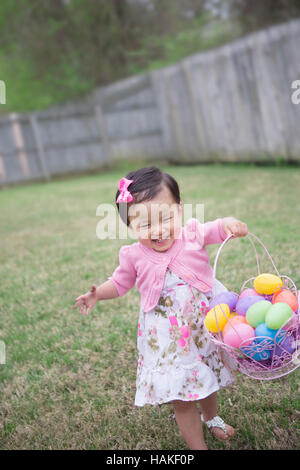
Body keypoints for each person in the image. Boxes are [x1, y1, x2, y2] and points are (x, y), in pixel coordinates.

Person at [73, 166, 248, 450]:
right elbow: (119, 283)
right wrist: (98, 294)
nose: (157, 230)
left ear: (178, 210)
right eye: (144, 225)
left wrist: (229, 223)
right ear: (130, 226)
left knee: (209, 374)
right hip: (169, 339)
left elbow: (215, 228)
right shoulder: (133, 255)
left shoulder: (191, 234)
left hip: (203, 327)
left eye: (165, 218)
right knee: (182, 395)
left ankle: (212, 416)